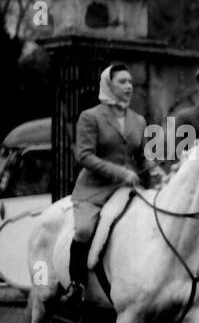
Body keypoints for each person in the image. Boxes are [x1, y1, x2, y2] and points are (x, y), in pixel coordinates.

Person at [64, 63, 154, 305]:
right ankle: (76, 284)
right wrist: (120, 172)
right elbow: (84, 155)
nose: (128, 86)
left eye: (130, 82)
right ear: (108, 85)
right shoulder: (90, 116)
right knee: (84, 230)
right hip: (94, 190)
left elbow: (143, 156)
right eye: (122, 82)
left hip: (127, 190)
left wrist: (156, 174)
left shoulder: (138, 120)